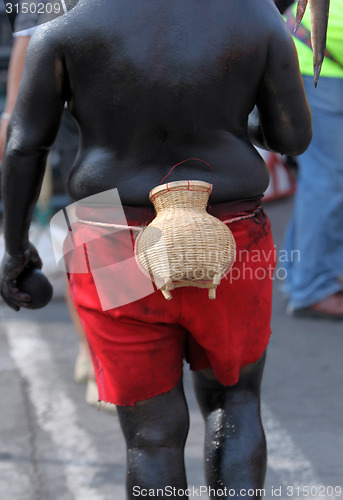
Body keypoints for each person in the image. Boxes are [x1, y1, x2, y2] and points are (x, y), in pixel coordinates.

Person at [0, 0, 321, 497]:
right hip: (230, 227)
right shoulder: (255, 15)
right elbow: (292, 137)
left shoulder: (63, 26)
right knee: (234, 404)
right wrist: (242, 129)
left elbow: (24, 146)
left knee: (152, 437)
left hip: (110, 232)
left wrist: (16, 251)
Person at [0, 0, 102, 407]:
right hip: (72, 117)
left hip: (119, 111)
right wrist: (11, 116)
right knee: (93, 235)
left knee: (103, 235)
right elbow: (29, 35)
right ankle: (95, 354)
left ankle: (99, 352)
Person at [282, 0, 343, 319]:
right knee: (327, 182)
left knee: (323, 180)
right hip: (317, 62)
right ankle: (311, 287)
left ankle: (303, 275)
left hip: (320, 59)